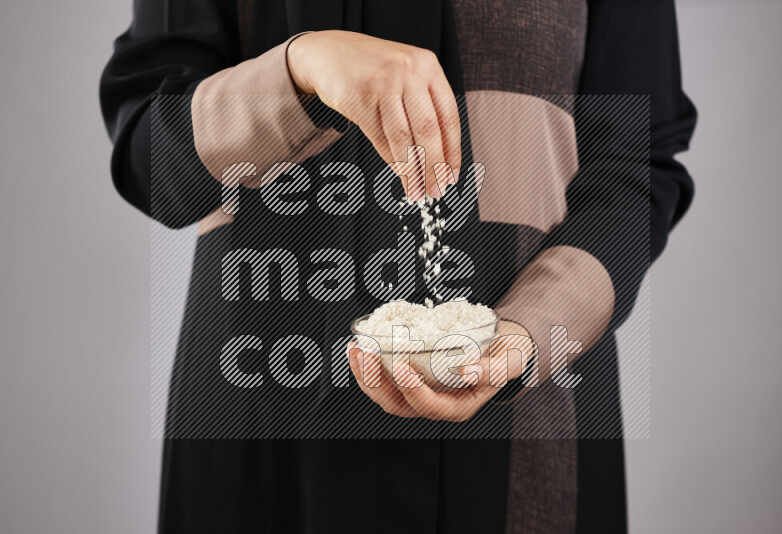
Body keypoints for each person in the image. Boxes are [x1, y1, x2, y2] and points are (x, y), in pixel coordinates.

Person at [100, 0, 696, 532]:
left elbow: (635, 164)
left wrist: (529, 332)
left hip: (526, 427)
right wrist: (300, 68)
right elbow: (152, 160)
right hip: (260, 423)